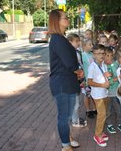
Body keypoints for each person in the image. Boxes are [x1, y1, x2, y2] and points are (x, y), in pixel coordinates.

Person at [48, 9, 83, 151]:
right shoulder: (58, 39)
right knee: (64, 116)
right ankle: (65, 146)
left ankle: (67, 138)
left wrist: (77, 73)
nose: (67, 19)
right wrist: (79, 71)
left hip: (67, 82)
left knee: (67, 115)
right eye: (65, 17)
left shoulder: (60, 38)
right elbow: (69, 63)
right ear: (57, 21)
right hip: (62, 84)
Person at [87, 44, 111, 147]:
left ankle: (100, 132)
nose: (101, 55)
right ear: (94, 55)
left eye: (103, 53)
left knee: (104, 114)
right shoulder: (92, 67)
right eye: (99, 53)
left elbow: (103, 76)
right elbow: (89, 82)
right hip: (97, 95)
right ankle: (97, 135)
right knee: (101, 114)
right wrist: (102, 85)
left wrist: (107, 76)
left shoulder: (103, 64)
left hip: (104, 93)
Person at [67, 33, 87, 128]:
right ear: (70, 42)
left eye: (79, 41)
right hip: (73, 81)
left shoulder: (76, 52)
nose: (79, 43)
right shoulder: (70, 54)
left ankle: (75, 117)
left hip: (78, 80)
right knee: (76, 103)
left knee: (76, 102)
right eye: (76, 41)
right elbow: (73, 67)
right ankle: (75, 121)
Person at [104, 47, 121, 134]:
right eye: (107, 55)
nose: (110, 57)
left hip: (116, 92)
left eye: (111, 55)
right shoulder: (103, 67)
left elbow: (119, 75)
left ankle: (120, 123)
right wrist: (113, 79)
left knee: (119, 109)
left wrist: (113, 79)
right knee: (108, 110)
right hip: (107, 94)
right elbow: (105, 80)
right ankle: (109, 124)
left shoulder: (115, 64)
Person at [81, 39, 97, 118]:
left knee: (93, 95)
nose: (92, 46)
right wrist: (83, 79)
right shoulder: (82, 55)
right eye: (90, 45)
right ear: (84, 46)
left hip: (93, 79)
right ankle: (88, 110)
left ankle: (94, 108)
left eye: (92, 44)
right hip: (87, 80)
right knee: (87, 95)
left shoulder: (92, 54)